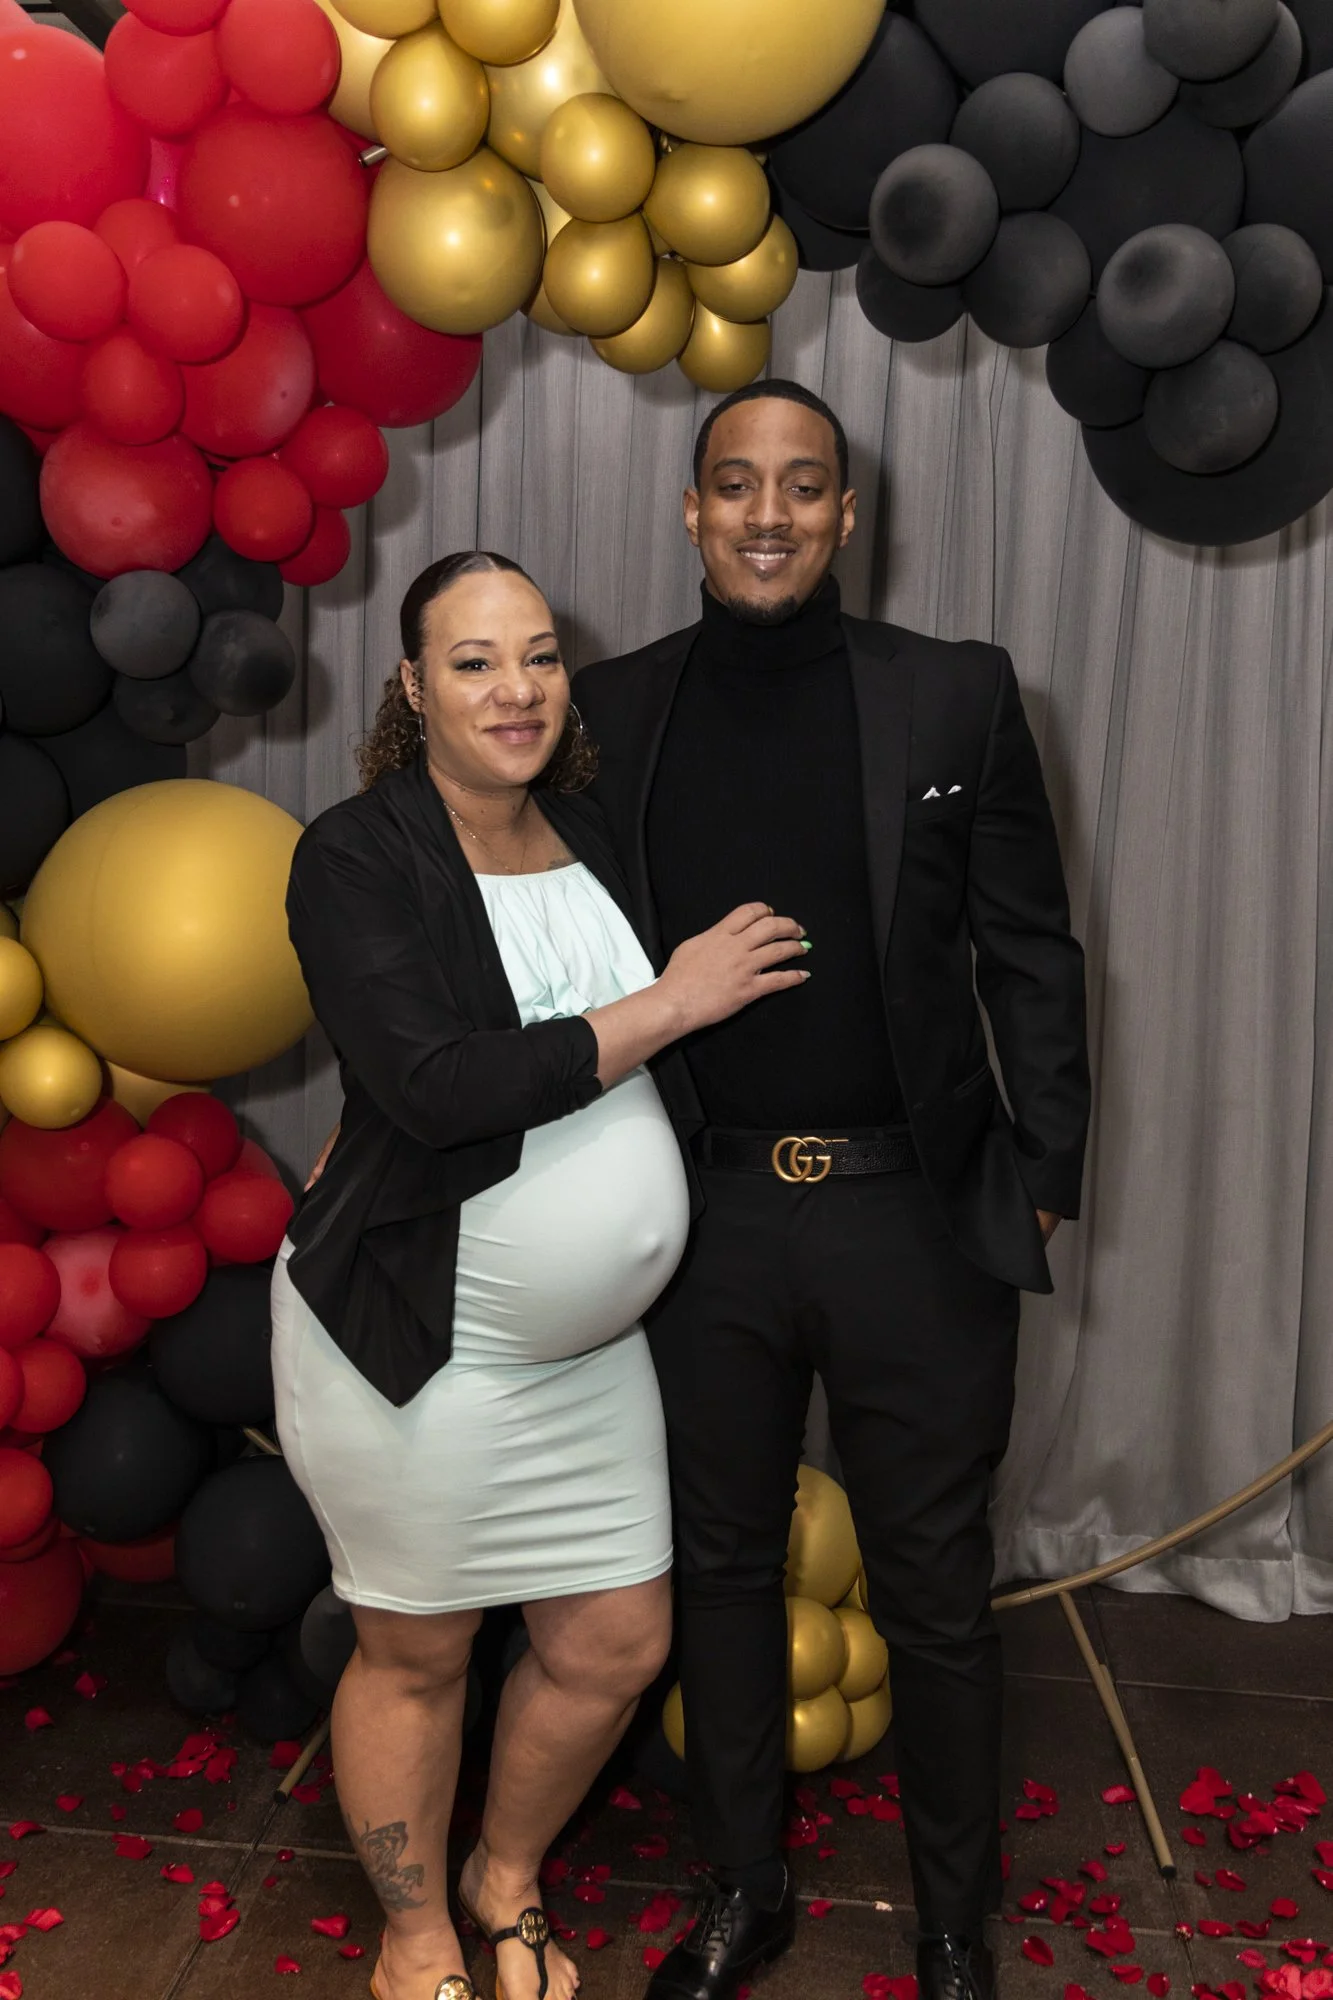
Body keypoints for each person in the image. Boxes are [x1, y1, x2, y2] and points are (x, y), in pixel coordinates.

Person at [573, 380, 1091, 2000]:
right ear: (693, 510)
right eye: (739, 484)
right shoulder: (614, 710)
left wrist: (1049, 1175)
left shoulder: (954, 697)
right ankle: (744, 1888)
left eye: (805, 486)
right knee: (719, 1565)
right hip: (698, 1214)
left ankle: (952, 1926)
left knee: (937, 1590)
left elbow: (1032, 949)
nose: (772, 513)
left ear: (849, 515)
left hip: (909, 1218)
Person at [271, 550, 810, 2000]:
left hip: (584, 1360)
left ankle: (501, 1879)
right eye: (472, 661)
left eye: (539, 656)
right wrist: (669, 1002)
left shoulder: (589, 831)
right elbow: (439, 1084)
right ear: (412, 687)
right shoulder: (357, 852)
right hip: (420, 1337)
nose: (515, 689)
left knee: (619, 1640)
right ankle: (413, 1932)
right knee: (419, 1653)